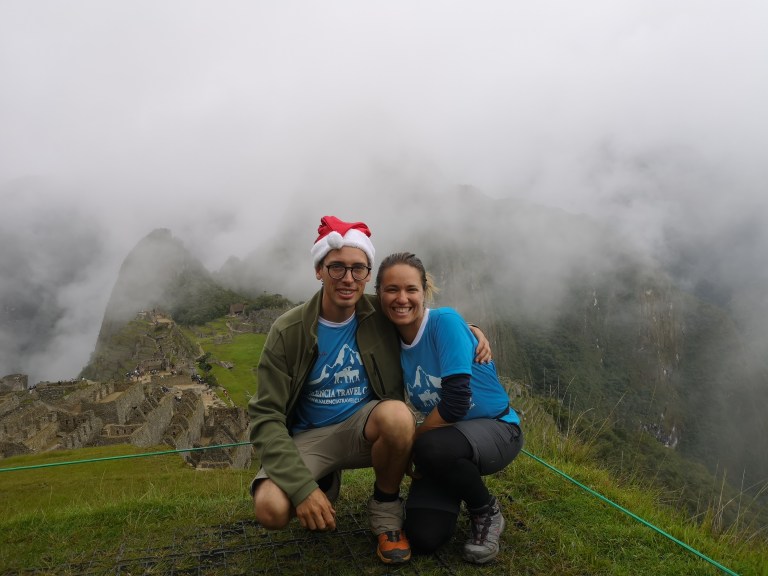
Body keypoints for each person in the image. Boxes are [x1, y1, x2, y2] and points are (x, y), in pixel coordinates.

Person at [248, 216, 491, 565]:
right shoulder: (289, 331)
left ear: (367, 275)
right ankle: (321, 480)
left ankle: (386, 512)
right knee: (270, 509)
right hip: (310, 436)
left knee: (397, 415)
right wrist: (302, 490)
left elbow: (425, 317)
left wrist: (472, 331)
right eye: (336, 267)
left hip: (366, 427)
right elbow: (265, 415)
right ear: (318, 271)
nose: (348, 278)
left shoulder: (379, 311)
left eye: (358, 269)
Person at [375, 252, 524, 564]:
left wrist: (411, 444)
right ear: (379, 294)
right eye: (392, 290)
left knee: (430, 447)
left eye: (411, 289)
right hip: (445, 440)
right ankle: (454, 479)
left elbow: (456, 402)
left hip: (497, 428)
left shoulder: (444, 322)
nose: (402, 298)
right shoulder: (388, 336)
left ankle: (485, 510)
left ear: (424, 292)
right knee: (424, 538)